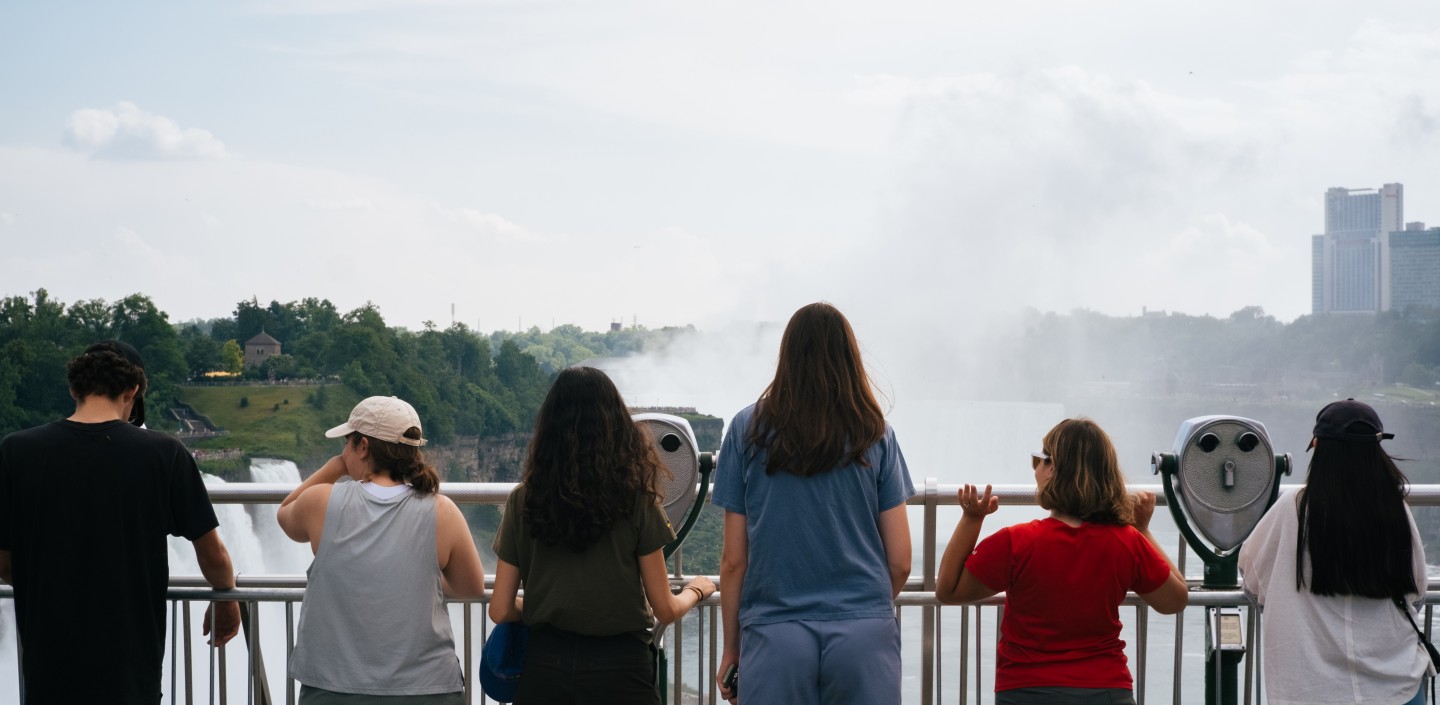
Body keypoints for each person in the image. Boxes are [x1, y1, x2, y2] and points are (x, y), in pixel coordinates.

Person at [0, 340, 240, 705]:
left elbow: (3, 561)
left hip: (49, 668)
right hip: (131, 671)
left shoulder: (17, 451)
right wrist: (227, 597)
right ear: (133, 390)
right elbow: (214, 555)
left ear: (74, 388)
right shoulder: (165, 453)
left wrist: (52, 581)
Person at [712, 302, 915, 705]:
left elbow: (735, 560)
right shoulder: (875, 433)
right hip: (863, 635)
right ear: (849, 359)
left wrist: (733, 650)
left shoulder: (746, 430)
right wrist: (862, 608)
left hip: (775, 634)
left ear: (786, 357)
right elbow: (901, 561)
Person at [489, 366, 717, 705]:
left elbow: (500, 608)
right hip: (622, 672)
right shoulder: (636, 500)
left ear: (549, 429)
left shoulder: (524, 500)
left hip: (546, 669)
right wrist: (697, 590)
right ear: (617, 427)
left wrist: (540, 607)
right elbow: (665, 609)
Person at [935, 417, 1188, 705]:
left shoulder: (1015, 542)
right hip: (1105, 690)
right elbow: (1176, 599)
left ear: (1053, 468)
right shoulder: (1126, 541)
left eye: (1038, 461)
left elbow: (948, 589)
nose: (1036, 471)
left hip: (1026, 691)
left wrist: (971, 519)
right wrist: (1142, 530)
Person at [278, 395, 486, 704]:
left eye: (347, 443)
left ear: (363, 446)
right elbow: (470, 588)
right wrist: (417, 576)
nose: (343, 452)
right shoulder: (442, 511)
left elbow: (285, 514)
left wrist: (335, 467)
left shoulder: (321, 502)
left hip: (334, 688)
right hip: (426, 690)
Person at [1239, 399, 1429, 705]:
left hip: (1312, 690)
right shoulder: (1396, 511)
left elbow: (1252, 577)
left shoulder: (1294, 509)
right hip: (1398, 688)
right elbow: (1417, 592)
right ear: (1376, 453)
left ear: (1318, 448)